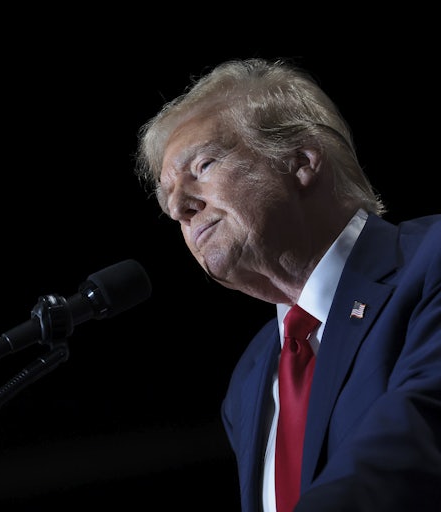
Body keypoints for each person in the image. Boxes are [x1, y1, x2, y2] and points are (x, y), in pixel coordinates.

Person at [133, 57, 441, 512]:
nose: (179, 206)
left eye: (203, 165)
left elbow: (418, 437)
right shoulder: (249, 378)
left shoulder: (431, 261)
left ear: (301, 162)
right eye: (167, 197)